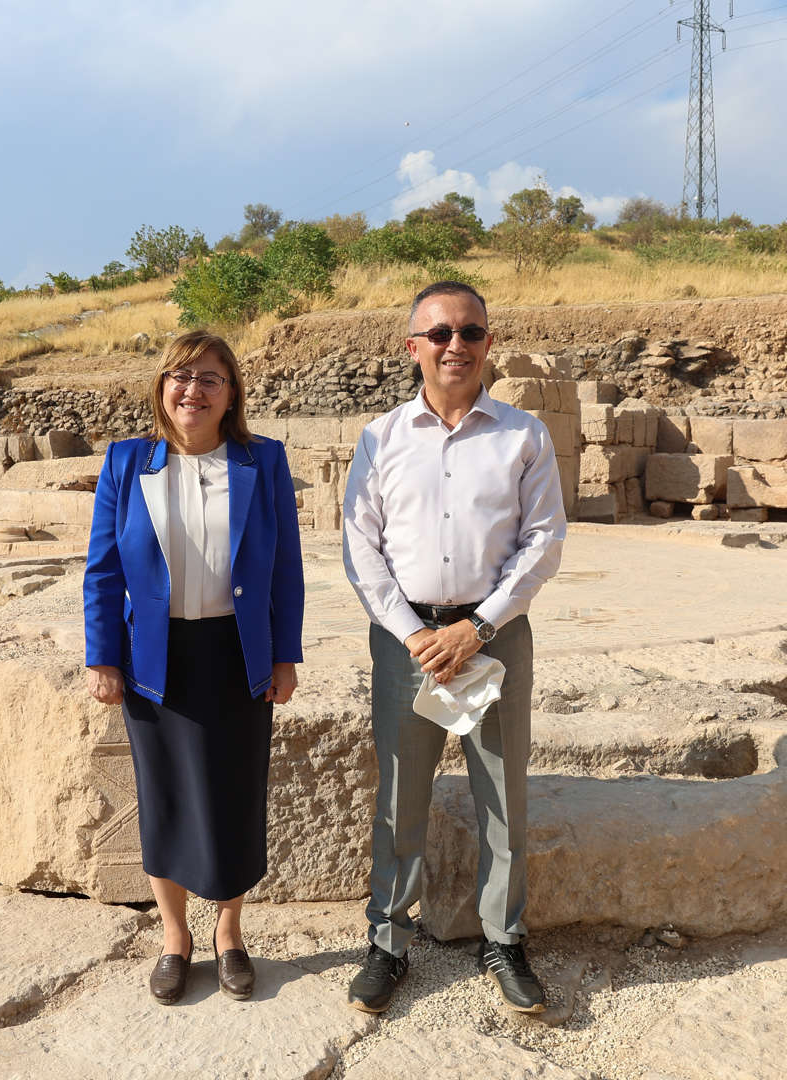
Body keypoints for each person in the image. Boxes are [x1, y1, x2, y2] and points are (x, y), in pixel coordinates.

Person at [341, 281, 566, 1015]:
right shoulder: (379, 438)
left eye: (470, 331)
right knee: (399, 794)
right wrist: (414, 633)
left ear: (489, 342)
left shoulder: (524, 435)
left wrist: (479, 626)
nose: (455, 345)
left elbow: (543, 540)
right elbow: (361, 547)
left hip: (494, 637)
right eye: (439, 333)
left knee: (502, 793)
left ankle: (504, 937)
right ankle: (388, 942)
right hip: (405, 639)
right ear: (413, 347)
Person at [84, 329, 304, 1005]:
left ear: (231, 393)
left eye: (210, 378)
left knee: (235, 795)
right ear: (161, 388)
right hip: (155, 658)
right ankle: (174, 937)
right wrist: (102, 657)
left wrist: (285, 653)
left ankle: (229, 932)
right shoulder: (127, 461)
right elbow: (103, 571)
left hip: (237, 654)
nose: (193, 390)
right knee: (165, 798)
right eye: (180, 376)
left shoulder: (263, 460)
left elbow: (286, 567)